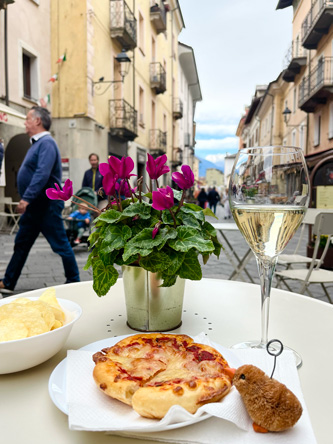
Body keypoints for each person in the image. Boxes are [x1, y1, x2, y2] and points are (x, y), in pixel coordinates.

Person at [0, 106, 80, 295]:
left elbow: (42, 173)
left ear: (37, 121)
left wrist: (26, 198)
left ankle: (74, 281)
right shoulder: (37, 144)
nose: (25, 122)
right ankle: (9, 281)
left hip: (45, 206)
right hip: (36, 207)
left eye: (27, 118)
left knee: (60, 243)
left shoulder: (47, 143)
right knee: (22, 243)